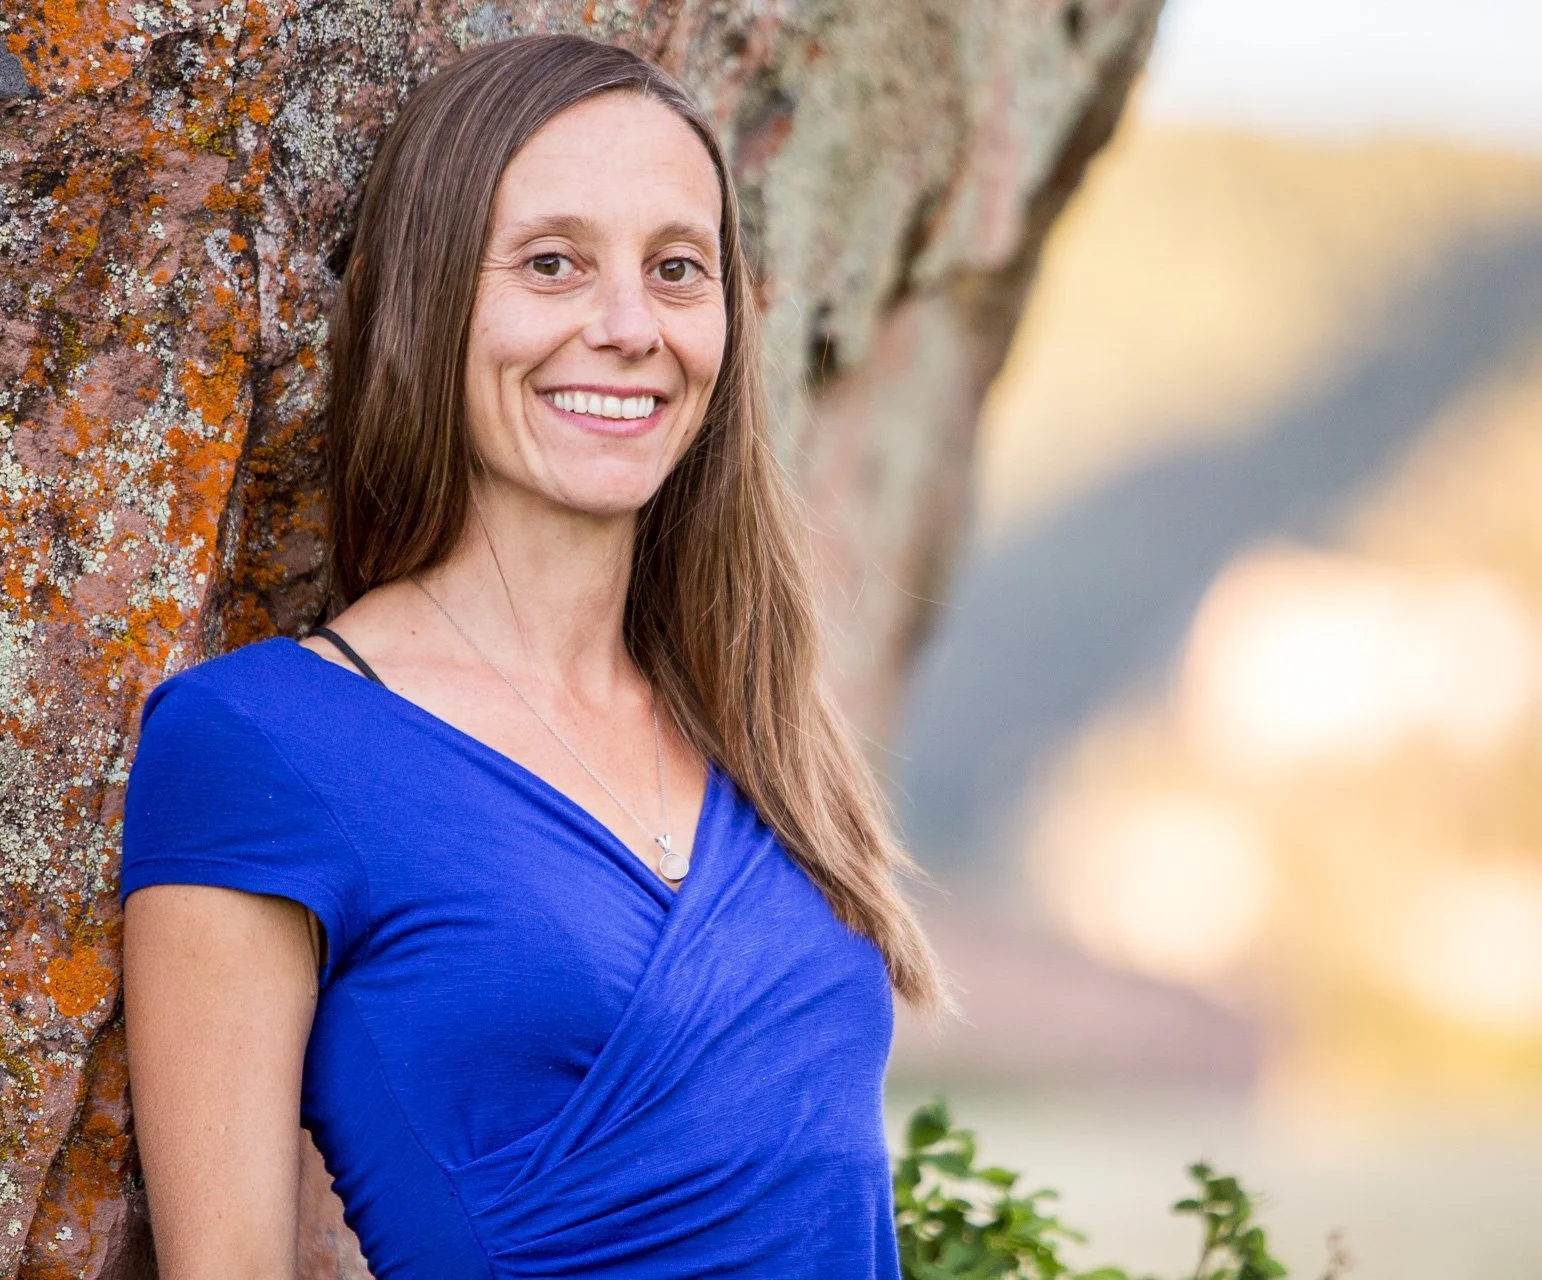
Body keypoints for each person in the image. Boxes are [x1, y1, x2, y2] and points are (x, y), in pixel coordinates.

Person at [120, 33, 945, 1280]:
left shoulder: (755, 722)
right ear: (435, 296)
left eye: (678, 269)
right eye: (553, 264)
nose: (628, 327)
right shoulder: (259, 741)